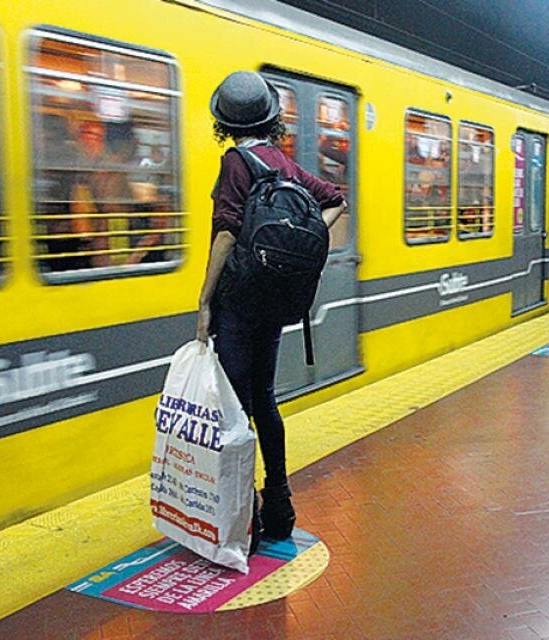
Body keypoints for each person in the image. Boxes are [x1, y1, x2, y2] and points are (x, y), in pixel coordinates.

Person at [196, 71, 346, 541]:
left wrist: (204, 300)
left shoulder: (236, 164)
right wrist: (298, 247)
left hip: (239, 305)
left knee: (237, 411)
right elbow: (335, 201)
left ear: (223, 121)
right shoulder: (281, 164)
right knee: (265, 402)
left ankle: (247, 521)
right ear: (271, 117)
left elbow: (225, 232)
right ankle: (280, 509)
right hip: (274, 304)